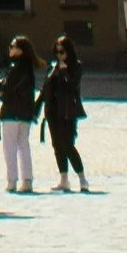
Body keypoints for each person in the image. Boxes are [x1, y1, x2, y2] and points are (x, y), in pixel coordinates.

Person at [0, 34, 40, 193]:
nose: (10, 48)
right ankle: (27, 180)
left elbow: (7, 87)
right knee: (24, 145)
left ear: (20, 50)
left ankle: (12, 181)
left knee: (9, 147)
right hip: (25, 112)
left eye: (12, 46)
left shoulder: (17, 67)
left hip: (11, 112)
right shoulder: (28, 68)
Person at [38, 35, 89, 192]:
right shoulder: (53, 67)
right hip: (52, 112)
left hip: (67, 112)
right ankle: (64, 179)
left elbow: (72, 87)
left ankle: (82, 179)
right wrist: (37, 107)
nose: (59, 55)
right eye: (57, 52)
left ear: (69, 52)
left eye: (62, 52)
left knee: (68, 145)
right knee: (57, 145)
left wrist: (64, 71)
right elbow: (45, 89)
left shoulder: (76, 67)